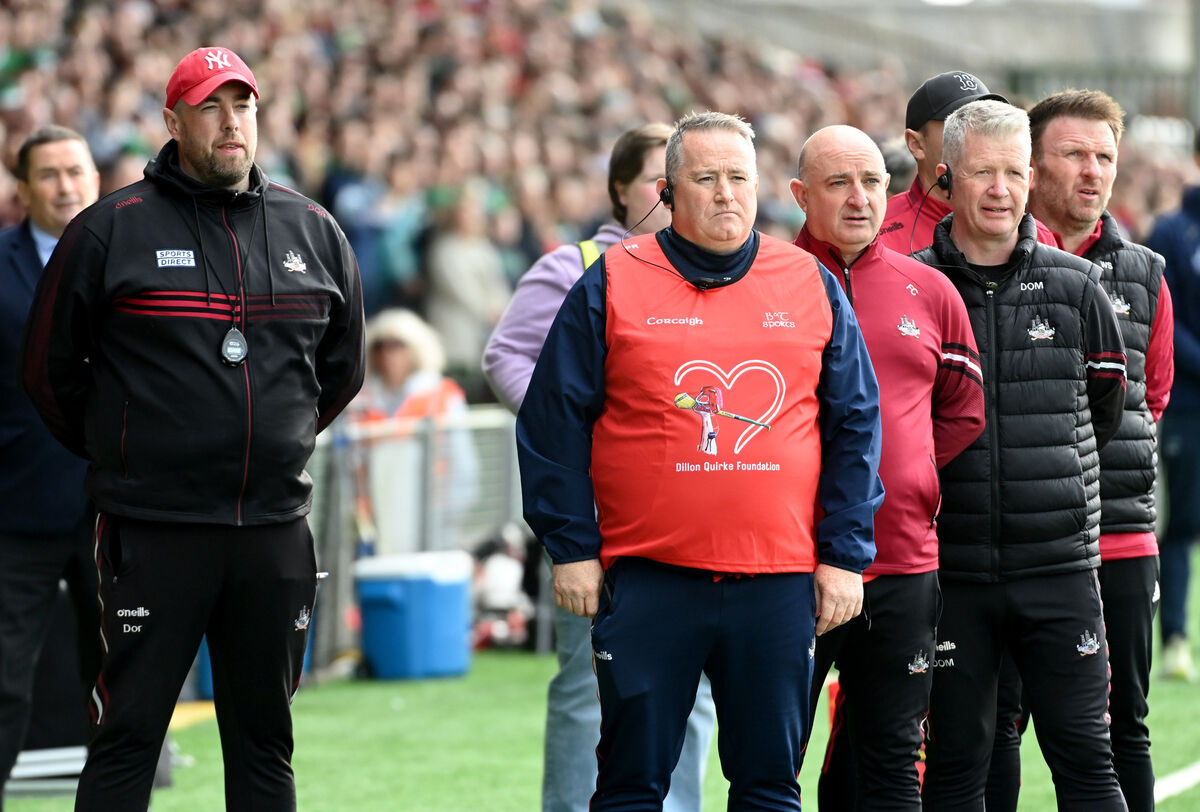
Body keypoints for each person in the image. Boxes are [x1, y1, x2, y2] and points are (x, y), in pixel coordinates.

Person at [20, 47, 365, 811]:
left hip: (273, 532)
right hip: (153, 530)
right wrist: (128, 449)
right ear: (173, 121)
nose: (230, 120)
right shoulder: (110, 229)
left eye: (242, 104)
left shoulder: (314, 230)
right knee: (127, 737)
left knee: (265, 743)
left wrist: (276, 445)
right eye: (210, 106)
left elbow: (341, 372)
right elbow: (50, 373)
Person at [517, 110, 884, 810]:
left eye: (738, 178)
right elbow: (551, 424)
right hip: (651, 580)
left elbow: (856, 427)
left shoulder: (807, 282)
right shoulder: (611, 282)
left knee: (770, 787)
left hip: (777, 583)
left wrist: (844, 554)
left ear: (760, 187)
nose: (725, 194)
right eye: (706, 178)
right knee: (629, 786)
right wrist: (572, 548)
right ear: (667, 190)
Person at [483, 123, 718, 812]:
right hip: (598, 511)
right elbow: (505, 357)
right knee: (591, 682)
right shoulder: (573, 265)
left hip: (689, 506)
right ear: (621, 191)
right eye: (657, 178)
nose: (672, 191)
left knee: (694, 682)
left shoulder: (711, 265)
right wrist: (576, 432)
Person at [912, 99, 1128, 810]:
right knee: (955, 765)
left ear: (1030, 179)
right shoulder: (911, 286)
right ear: (947, 179)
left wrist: (1052, 482)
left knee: (1088, 763)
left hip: (1059, 568)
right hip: (952, 573)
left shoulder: (1076, 286)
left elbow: (1103, 407)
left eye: (1012, 172)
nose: (1000, 190)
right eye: (982, 173)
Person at [981, 88, 1175, 812]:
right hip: (1014, 544)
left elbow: (1147, 399)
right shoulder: (982, 263)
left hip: (1119, 538)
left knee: (1124, 728)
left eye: (1105, 157)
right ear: (1031, 166)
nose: (1092, 172)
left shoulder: (1146, 272)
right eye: (1073, 154)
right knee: (996, 724)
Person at [789, 124, 984, 810]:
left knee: (894, 762)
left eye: (872, 182)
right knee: (771, 761)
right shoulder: (765, 287)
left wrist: (905, 471)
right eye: (838, 183)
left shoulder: (928, 290)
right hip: (789, 563)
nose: (858, 199)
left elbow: (963, 411)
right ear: (799, 195)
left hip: (902, 562)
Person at [0, 125, 101, 807]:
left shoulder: (134, 251)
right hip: (14, 508)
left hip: (114, 505)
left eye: (76, 171)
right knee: (3, 677)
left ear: (96, 177)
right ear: (22, 189)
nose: (66, 186)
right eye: (49, 175)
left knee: (125, 671)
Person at [350, 308, 479, 554]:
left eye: (397, 345)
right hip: (372, 528)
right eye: (379, 345)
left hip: (430, 521)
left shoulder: (441, 395)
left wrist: (445, 521)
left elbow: (464, 469)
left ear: (417, 348)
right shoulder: (359, 400)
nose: (387, 354)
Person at [1145, 128, 1200, 684]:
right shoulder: (1172, 232)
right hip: (1187, 404)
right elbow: (1165, 317)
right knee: (1180, 525)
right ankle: (1176, 638)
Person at [878, 71, 1007, 255]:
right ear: (916, 144)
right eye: (957, 125)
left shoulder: (1031, 233)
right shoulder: (877, 234)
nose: (978, 137)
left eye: (986, 123)